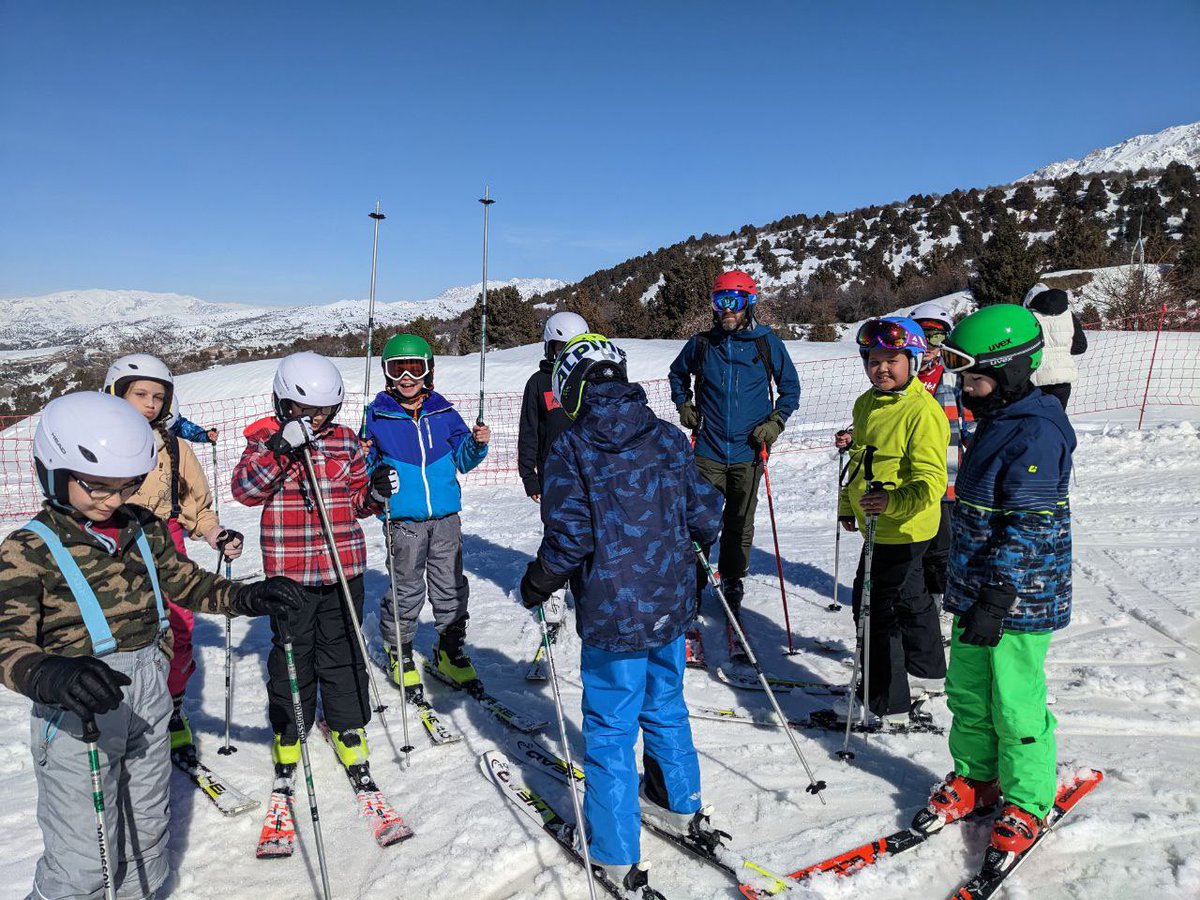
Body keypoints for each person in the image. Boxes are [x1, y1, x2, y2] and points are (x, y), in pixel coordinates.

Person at [0, 391, 306, 900]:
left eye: (125, 487)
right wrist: (48, 675)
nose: (111, 500)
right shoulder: (26, 550)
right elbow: (6, 642)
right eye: (96, 486)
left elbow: (187, 583)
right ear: (53, 471)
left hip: (148, 694)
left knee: (147, 829)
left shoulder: (143, 527)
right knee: (83, 858)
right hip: (77, 706)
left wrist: (247, 596)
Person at [520, 334, 724, 898]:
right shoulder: (664, 436)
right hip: (670, 604)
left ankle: (614, 853)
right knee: (665, 703)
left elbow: (571, 536)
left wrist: (539, 580)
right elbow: (706, 510)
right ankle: (677, 800)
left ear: (570, 388)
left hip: (614, 614)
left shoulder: (571, 446)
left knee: (610, 730)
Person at [920, 303, 1074, 858]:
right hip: (975, 592)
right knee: (967, 691)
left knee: (1014, 701)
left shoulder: (1036, 432)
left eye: (976, 377)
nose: (966, 387)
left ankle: (1028, 799)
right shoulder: (997, 418)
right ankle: (977, 776)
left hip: (1018, 597)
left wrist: (998, 594)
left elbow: (1031, 526)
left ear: (1010, 371)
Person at [232, 351, 395, 772]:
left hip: (343, 567)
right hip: (291, 572)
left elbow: (358, 501)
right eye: (306, 411)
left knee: (343, 649)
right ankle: (291, 727)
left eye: (325, 411)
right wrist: (281, 451)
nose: (316, 419)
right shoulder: (265, 440)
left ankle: (347, 725)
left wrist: (376, 493)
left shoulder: (345, 441)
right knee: (292, 651)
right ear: (283, 404)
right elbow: (246, 490)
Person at [103, 353, 244, 750]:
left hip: (168, 542)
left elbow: (197, 505)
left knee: (179, 628)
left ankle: (174, 706)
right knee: (123, 633)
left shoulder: (176, 448)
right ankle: (124, 712)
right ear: (115, 394)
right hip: (116, 545)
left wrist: (216, 534)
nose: (150, 403)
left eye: (159, 396)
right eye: (140, 394)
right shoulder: (101, 443)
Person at [667, 270, 800, 649]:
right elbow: (678, 375)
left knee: (740, 523)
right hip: (708, 449)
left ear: (748, 304)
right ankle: (692, 583)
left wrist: (775, 422)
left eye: (734, 302)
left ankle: (733, 580)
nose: (726, 309)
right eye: (720, 301)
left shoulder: (766, 342)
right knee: (699, 520)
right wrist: (684, 403)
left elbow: (790, 388)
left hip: (748, 449)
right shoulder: (702, 343)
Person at [363, 333, 490, 693]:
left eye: (414, 369)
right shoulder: (376, 417)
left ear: (428, 371)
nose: (407, 378)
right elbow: (366, 469)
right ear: (387, 373)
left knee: (449, 585)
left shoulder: (444, 413)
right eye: (398, 369)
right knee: (406, 588)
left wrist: (476, 444)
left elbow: (463, 460)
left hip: (446, 519)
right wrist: (374, 481)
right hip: (403, 522)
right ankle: (399, 650)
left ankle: (449, 649)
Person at [837, 317, 949, 723]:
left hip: (904, 527)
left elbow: (931, 482)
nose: (881, 368)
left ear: (914, 361)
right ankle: (929, 671)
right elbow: (859, 463)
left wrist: (891, 502)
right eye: (873, 360)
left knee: (871, 610)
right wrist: (848, 506)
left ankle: (885, 700)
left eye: (892, 360)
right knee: (909, 598)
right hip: (878, 524)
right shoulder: (867, 403)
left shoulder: (923, 412)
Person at [518, 311, 589, 502]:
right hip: (552, 473)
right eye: (562, 347)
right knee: (557, 528)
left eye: (575, 348)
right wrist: (529, 478)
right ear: (550, 348)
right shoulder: (538, 383)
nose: (568, 354)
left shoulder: (592, 379)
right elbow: (528, 433)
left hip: (591, 472)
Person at [1023, 284, 1087, 410]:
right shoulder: (1069, 316)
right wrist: (1062, 349)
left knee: (1035, 422)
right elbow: (1081, 346)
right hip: (1063, 379)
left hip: (1036, 378)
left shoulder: (1027, 317)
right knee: (1056, 421)